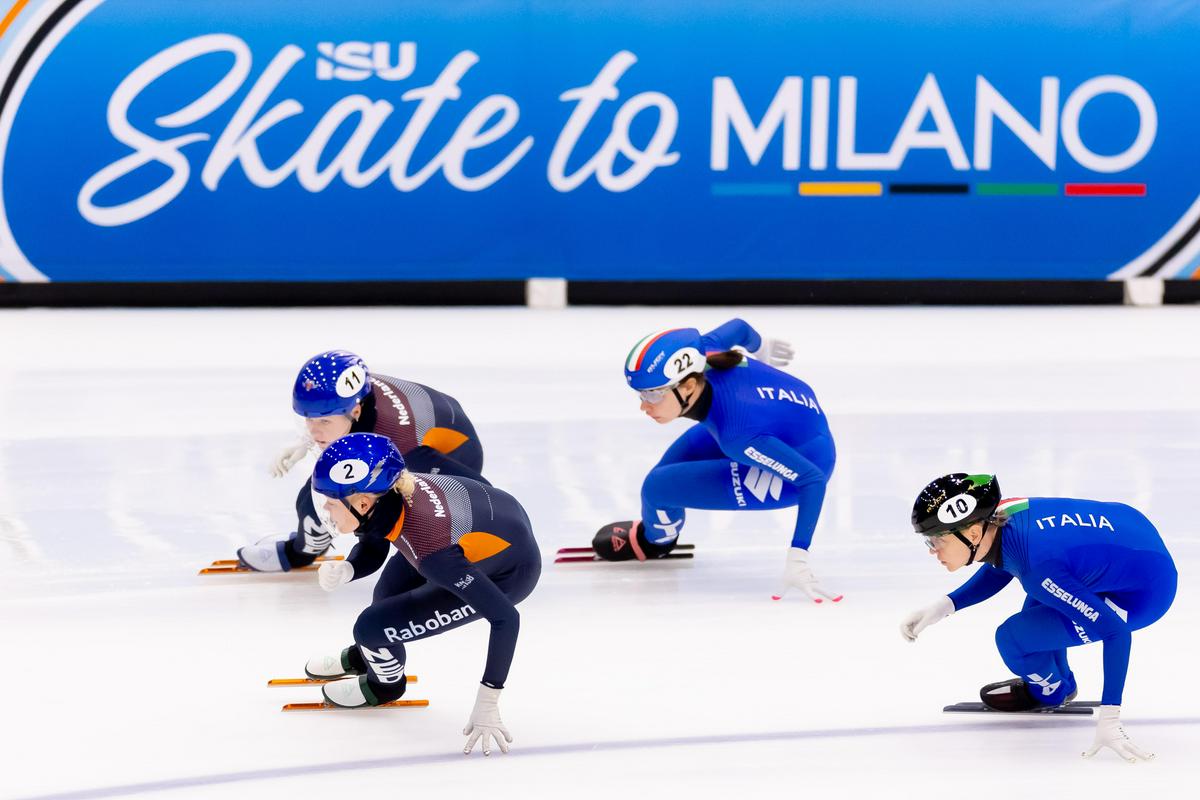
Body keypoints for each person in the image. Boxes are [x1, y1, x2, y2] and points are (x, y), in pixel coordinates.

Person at [900, 473, 1177, 762]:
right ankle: (1060, 679)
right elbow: (1001, 560)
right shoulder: (1004, 514)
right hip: (1132, 541)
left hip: (1142, 596)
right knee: (1038, 605)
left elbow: (1116, 632)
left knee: (1014, 638)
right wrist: (945, 605)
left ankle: (1052, 691)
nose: (933, 551)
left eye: (937, 541)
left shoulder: (1038, 567)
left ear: (971, 534)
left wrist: (1110, 717)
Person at [304, 433, 540, 756]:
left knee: (369, 628)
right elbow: (373, 540)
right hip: (495, 523)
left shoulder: (433, 553)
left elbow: (506, 618)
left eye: (330, 503)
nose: (327, 513)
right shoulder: (394, 492)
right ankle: (371, 656)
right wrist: (348, 569)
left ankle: (384, 686)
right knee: (385, 595)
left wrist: (489, 697)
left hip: (508, 573)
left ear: (361, 503)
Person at [597, 319, 840, 603]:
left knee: (657, 488)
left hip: (801, 464)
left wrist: (798, 556)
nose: (643, 405)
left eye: (653, 393)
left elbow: (812, 480)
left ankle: (655, 543)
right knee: (666, 470)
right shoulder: (706, 353)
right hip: (781, 425)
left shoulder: (737, 437)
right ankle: (661, 526)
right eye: (640, 393)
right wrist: (761, 348)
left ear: (688, 386)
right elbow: (739, 328)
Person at [236, 350, 484, 572]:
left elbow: (480, 489)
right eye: (307, 419)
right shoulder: (353, 395)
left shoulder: (400, 438)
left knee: (388, 510)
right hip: (428, 425)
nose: (313, 430)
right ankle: (306, 547)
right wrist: (305, 443)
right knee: (320, 493)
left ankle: (299, 553)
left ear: (355, 411)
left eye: (323, 421)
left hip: (453, 453)